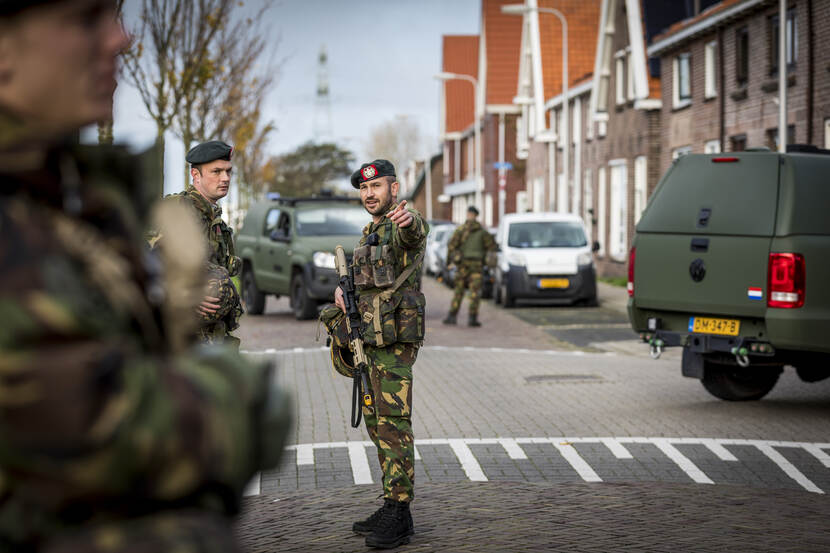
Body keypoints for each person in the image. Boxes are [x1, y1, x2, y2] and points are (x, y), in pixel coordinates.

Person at [0, 1, 290, 551]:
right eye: (85, 19)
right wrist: (237, 395)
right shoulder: (143, 211)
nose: (122, 40)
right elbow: (87, 428)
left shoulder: (70, 194)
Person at [333, 159, 428, 549]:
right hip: (372, 340)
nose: (369, 194)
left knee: (393, 425)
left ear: (394, 188)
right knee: (377, 424)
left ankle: (400, 513)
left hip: (394, 345)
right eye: (363, 188)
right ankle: (390, 501)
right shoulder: (370, 231)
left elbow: (414, 231)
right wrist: (344, 293)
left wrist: (410, 221)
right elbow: (373, 280)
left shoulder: (401, 223)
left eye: (376, 186)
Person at [158, 140, 243, 347]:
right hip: (181, 339)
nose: (225, 178)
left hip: (211, 338)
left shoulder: (214, 218)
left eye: (228, 171)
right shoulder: (178, 211)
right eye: (216, 172)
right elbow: (146, 263)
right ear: (196, 175)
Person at [443, 205, 497, 327]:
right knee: (474, 293)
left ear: (468, 214)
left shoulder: (460, 230)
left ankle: (452, 316)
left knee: (458, 291)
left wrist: (449, 262)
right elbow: (492, 247)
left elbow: (451, 247)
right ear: (476, 216)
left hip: (462, 266)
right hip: (476, 266)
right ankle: (472, 318)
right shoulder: (482, 232)